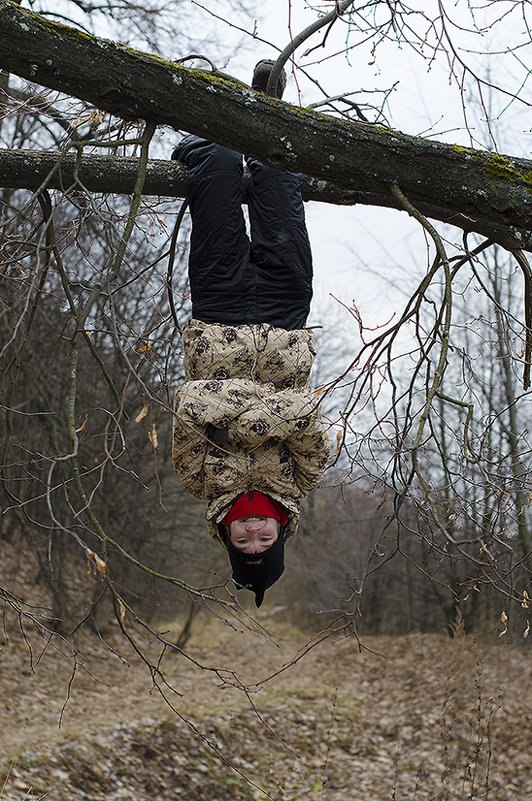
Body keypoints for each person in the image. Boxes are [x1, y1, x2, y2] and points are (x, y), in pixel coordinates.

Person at [171, 60, 329, 607]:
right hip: (287, 315)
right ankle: (267, 109)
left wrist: (260, 410)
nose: (254, 533)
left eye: (246, 542)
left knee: (212, 164)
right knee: (279, 182)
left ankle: (225, 112)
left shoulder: (198, 476)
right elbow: (307, 416)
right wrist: (246, 410)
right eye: (264, 539)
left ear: (227, 536)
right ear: (282, 533)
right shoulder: (304, 473)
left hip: (218, 312)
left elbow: (190, 401)